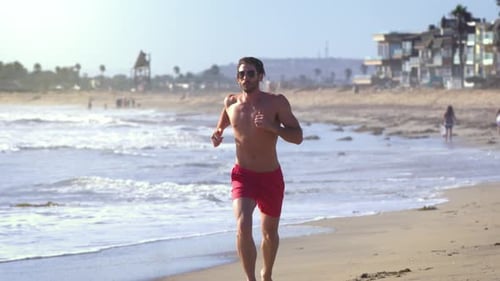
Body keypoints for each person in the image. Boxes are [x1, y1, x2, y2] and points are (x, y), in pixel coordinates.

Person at [211, 57, 303, 281]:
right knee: (243, 224)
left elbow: (298, 136)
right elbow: (224, 120)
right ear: (237, 77)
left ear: (260, 76)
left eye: (250, 73)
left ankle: (267, 274)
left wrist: (273, 127)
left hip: (270, 176)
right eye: (241, 74)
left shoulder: (276, 102)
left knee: (269, 233)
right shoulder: (230, 102)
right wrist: (217, 132)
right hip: (243, 176)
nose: (245, 78)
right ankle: (250, 279)